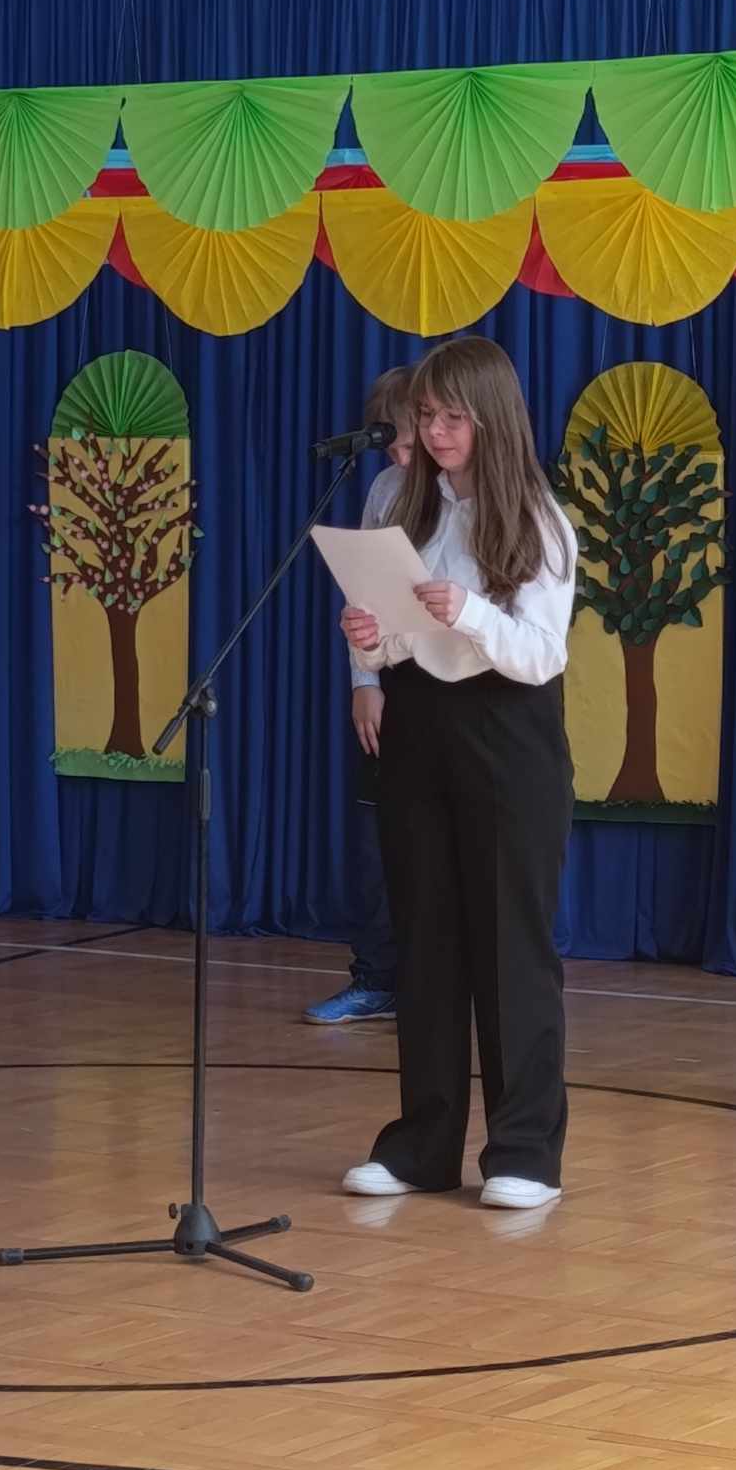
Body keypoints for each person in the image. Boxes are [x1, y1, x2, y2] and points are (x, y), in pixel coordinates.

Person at [337, 334, 578, 1211]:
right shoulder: (408, 507)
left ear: (492, 418)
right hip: (420, 733)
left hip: (509, 738)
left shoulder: (539, 519)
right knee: (428, 941)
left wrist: (470, 611)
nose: (435, 433)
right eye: (427, 416)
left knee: (512, 948)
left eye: (451, 418)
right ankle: (420, 1146)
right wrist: (374, 642)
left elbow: (541, 654)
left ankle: (525, 1153)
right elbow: (404, 639)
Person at [305, 366, 415, 1025]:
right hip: (389, 678)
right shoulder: (383, 489)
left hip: (453, 687)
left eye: (408, 444)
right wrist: (365, 683)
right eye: (390, 446)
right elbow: (363, 597)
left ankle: (440, 987)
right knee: (377, 843)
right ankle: (376, 978)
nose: (399, 458)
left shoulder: (469, 495)